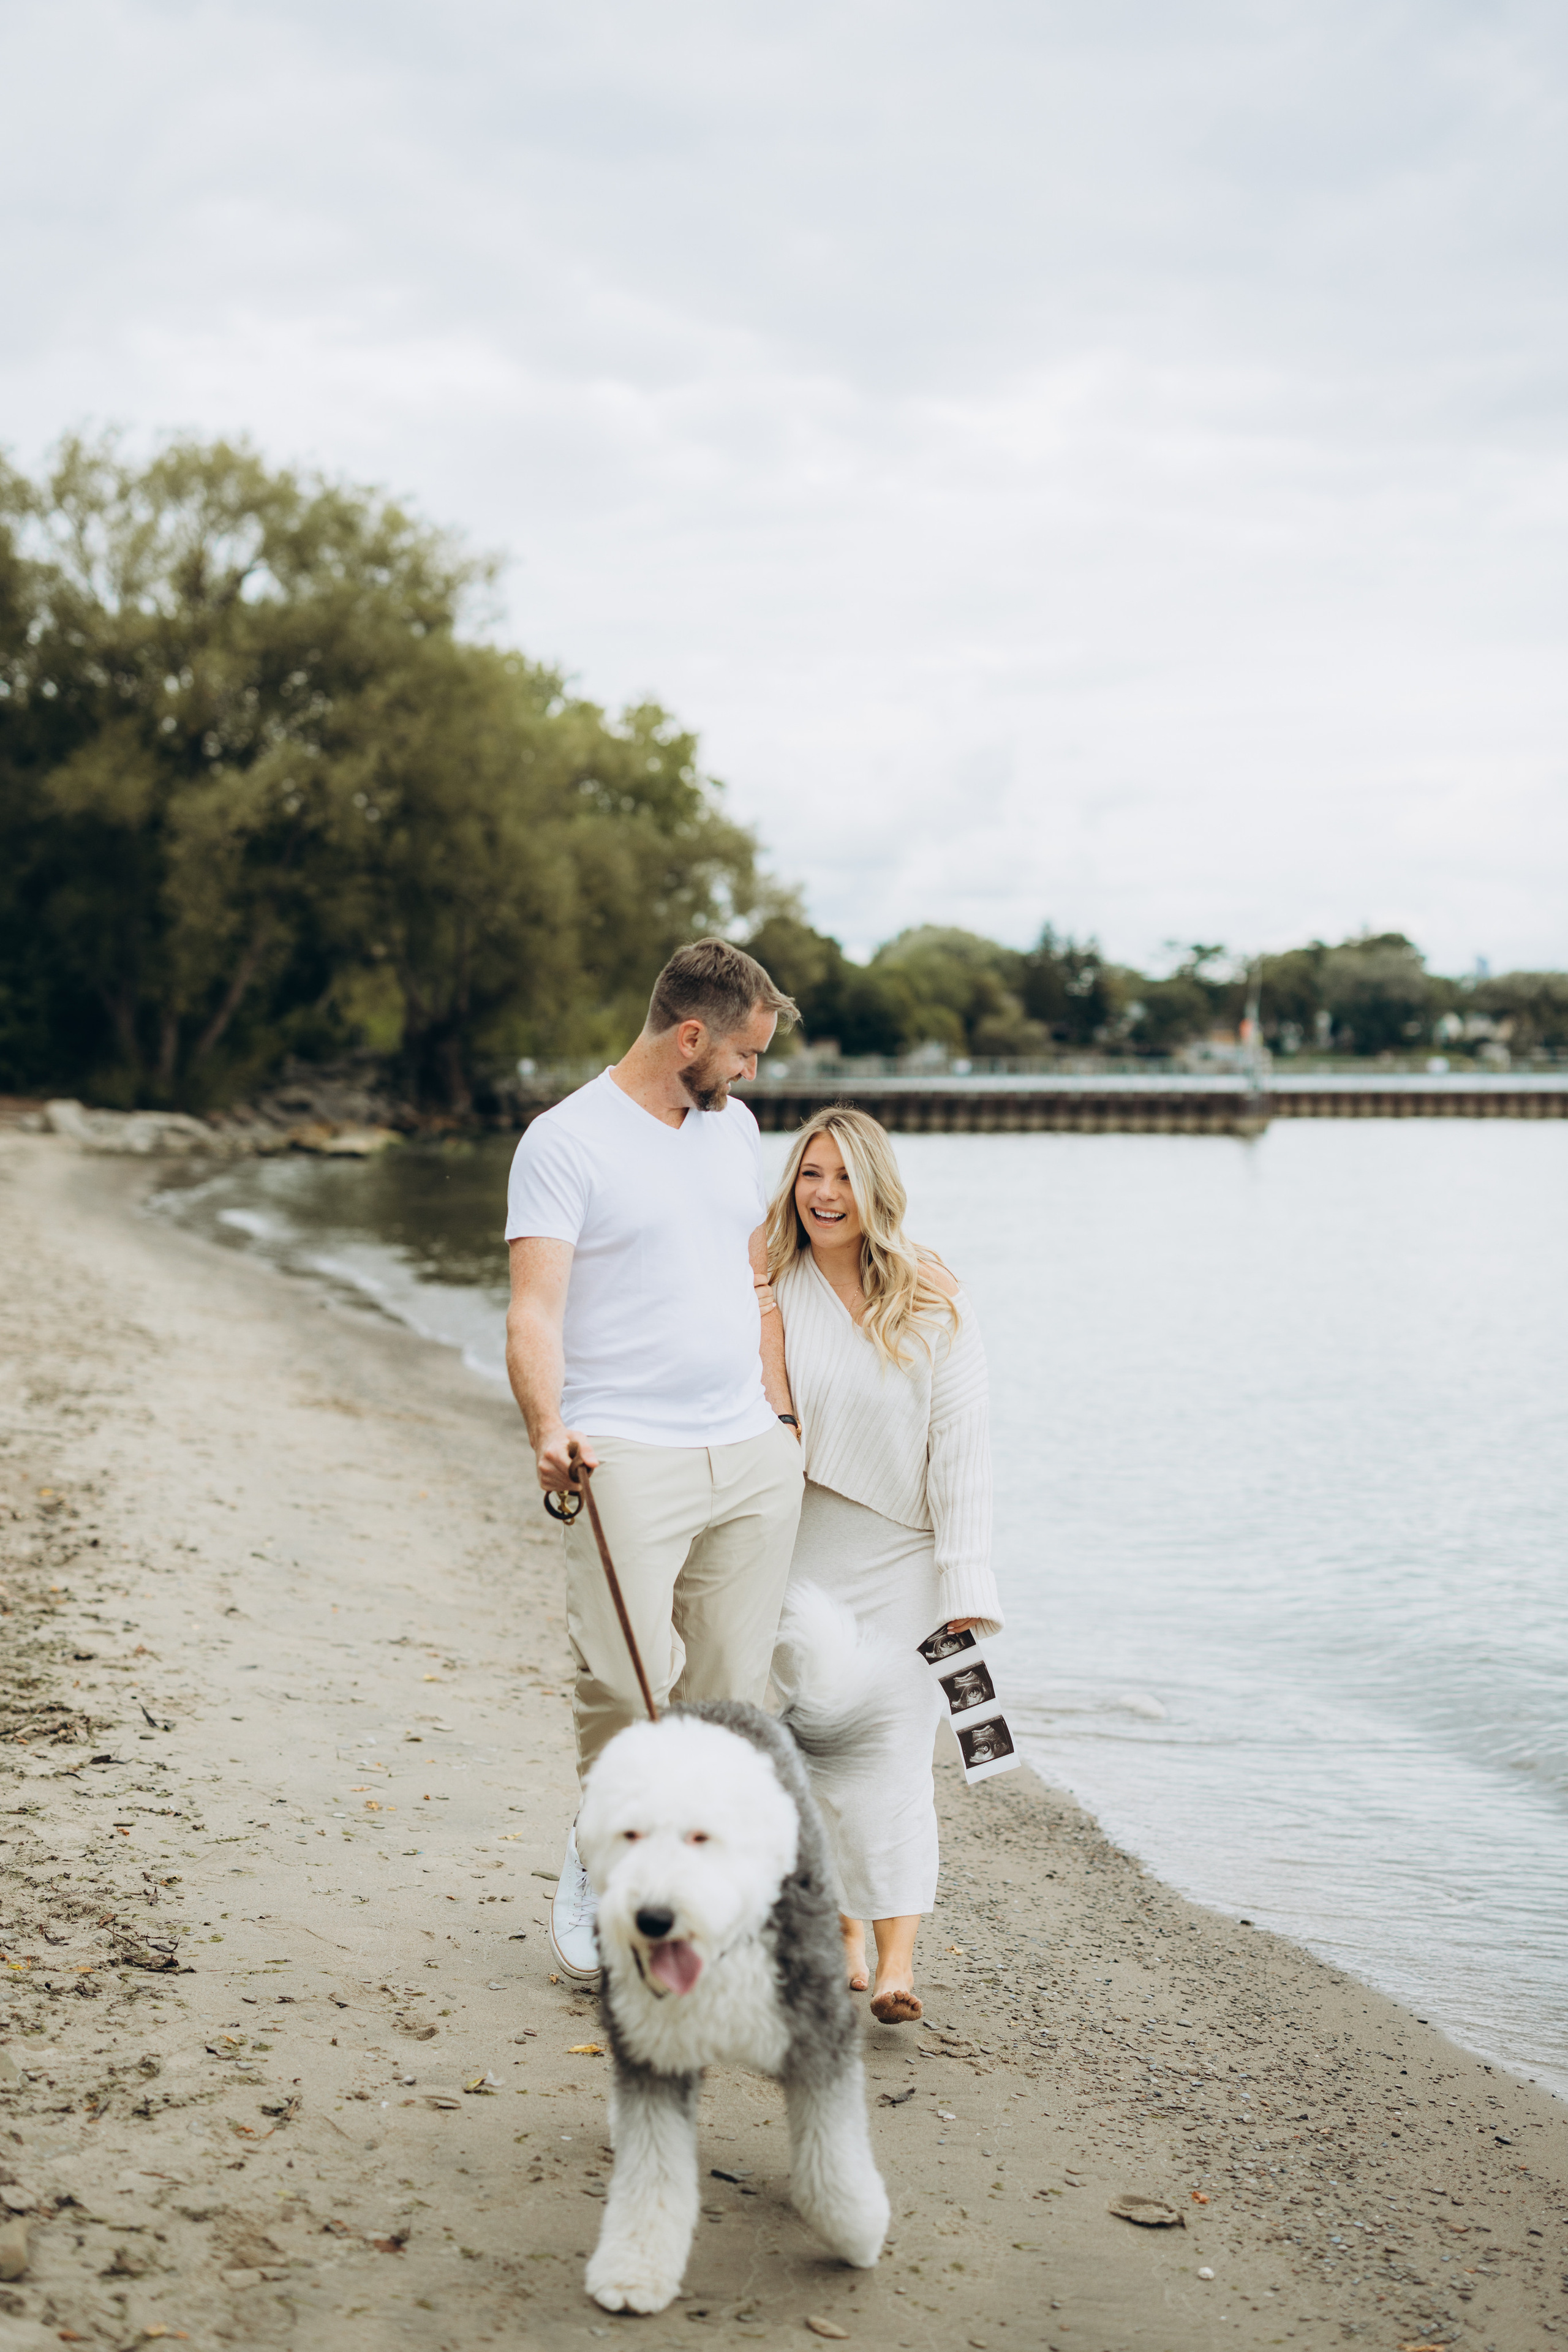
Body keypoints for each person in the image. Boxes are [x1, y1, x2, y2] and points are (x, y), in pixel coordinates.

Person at [505, 939, 806, 1978]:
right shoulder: (565, 1142)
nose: (751, 1073)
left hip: (749, 1452)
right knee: (623, 1689)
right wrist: (547, 1426)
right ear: (689, 1037)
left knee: (730, 1707)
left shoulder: (736, 1131)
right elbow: (534, 1310)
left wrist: (783, 1415)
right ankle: (605, 1854)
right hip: (624, 1450)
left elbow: (754, 1281)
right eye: (744, 1053)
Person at [764, 1107, 1001, 2024]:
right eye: (810, 1174)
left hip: (906, 1556)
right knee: (821, 1754)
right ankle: (845, 1934)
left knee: (896, 1757)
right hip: (802, 1553)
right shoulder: (770, 1284)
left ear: (878, 1190)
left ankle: (898, 1965)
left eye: (845, 1178)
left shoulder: (934, 1300)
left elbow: (964, 1453)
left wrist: (967, 1587)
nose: (826, 1195)